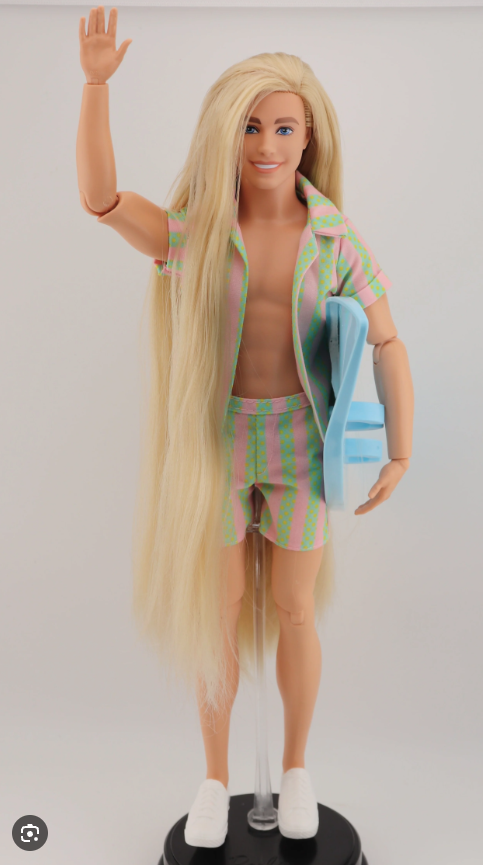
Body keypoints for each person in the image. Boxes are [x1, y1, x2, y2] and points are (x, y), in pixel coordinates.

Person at [77, 5, 414, 848]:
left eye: (284, 127)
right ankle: (214, 776)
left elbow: (387, 339)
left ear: (309, 136)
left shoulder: (334, 237)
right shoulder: (196, 233)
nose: (267, 144)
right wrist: (95, 88)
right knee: (219, 611)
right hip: (219, 446)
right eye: (252, 127)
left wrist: (399, 447)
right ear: (228, 135)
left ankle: (296, 767)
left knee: (295, 609)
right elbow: (102, 201)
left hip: (302, 445)